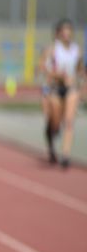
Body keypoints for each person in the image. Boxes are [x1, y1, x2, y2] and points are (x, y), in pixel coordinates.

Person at [40, 18, 82, 168]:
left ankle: (65, 155)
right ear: (58, 33)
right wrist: (57, 75)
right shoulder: (52, 49)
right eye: (64, 31)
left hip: (71, 88)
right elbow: (42, 68)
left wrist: (81, 85)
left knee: (69, 121)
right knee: (56, 122)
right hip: (55, 88)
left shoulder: (76, 50)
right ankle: (51, 136)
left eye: (69, 30)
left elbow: (80, 70)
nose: (67, 33)